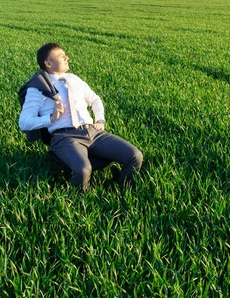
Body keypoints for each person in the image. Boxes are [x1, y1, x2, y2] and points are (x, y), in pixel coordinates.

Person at [19, 43, 143, 191]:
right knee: (83, 170)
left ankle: (125, 188)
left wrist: (100, 120)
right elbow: (24, 122)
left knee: (134, 155)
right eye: (61, 56)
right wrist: (51, 118)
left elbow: (95, 99)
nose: (67, 58)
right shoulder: (38, 88)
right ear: (48, 63)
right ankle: (80, 200)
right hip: (65, 137)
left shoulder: (74, 79)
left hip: (94, 133)